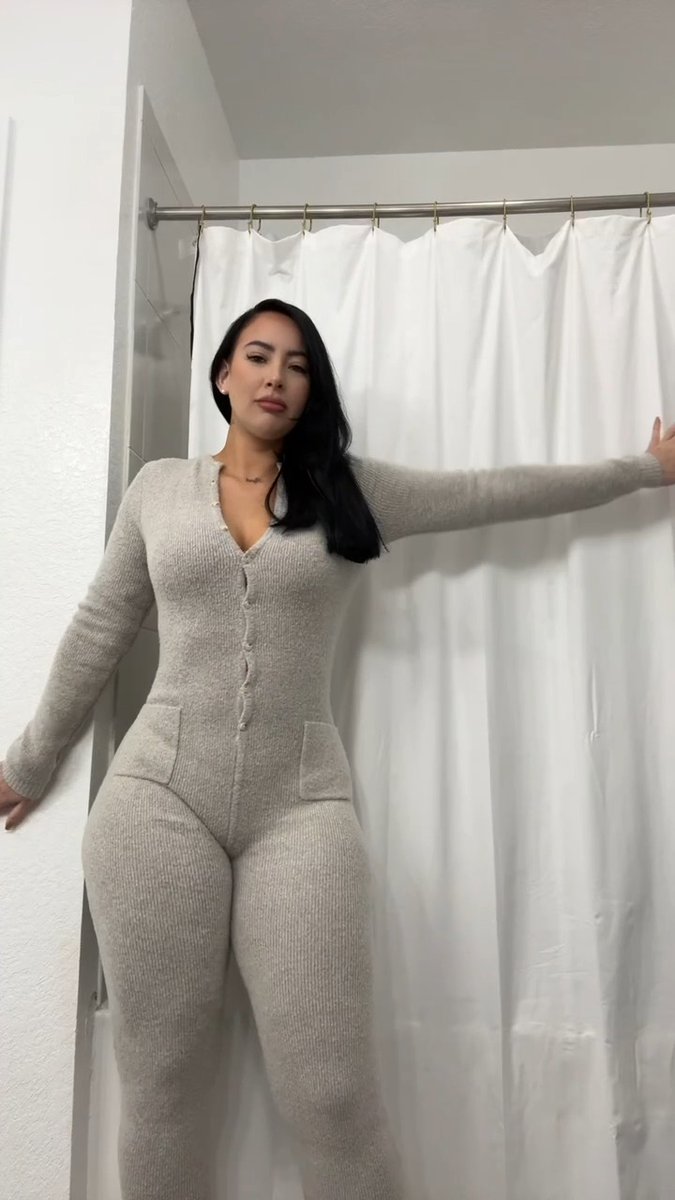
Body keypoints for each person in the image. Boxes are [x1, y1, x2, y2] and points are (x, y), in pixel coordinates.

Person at [2, 297, 674, 1200]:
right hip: (155, 800)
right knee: (161, 1086)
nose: (276, 376)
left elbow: (489, 491)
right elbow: (101, 625)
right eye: (258, 356)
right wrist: (30, 760)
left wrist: (641, 470)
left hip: (300, 808)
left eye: (297, 364)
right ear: (222, 375)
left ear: (311, 389)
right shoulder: (157, 489)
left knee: (333, 1095)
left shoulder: (348, 491)